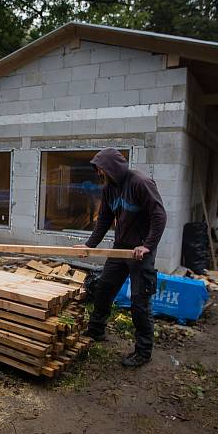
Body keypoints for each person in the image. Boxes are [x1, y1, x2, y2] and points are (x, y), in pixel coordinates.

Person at [74, 148, 166, 367]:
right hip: (119, 249)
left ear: (110, 168)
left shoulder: (140, 183)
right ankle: (96, 331)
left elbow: (159, 215)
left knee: (139, 302)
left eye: (100, 170)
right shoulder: (109, 189)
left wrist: (147, 246)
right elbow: (104, 220)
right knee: (104, 289)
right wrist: (89, 245)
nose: (99, 174)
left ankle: (143, 352)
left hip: (139, 252)